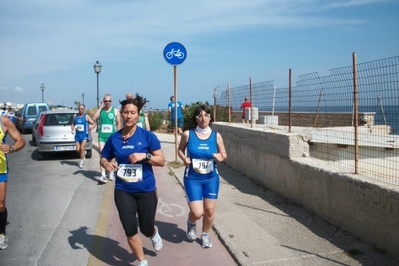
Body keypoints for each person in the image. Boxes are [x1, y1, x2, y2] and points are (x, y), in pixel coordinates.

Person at [100, 95, 165, 266]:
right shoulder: (114, 138)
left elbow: (162, 161)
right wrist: (106, 163)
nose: (129, 116)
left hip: (146, 189)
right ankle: (142, 261)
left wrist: (145, 155)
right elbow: (104, 157)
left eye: (133, 112)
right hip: (123, 190)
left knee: (146, 227)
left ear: (138, 115)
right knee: (130, 229)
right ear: (121, 114)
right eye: (126, 112)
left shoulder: (147, 136)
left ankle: (153, 233)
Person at [177, 104, 227, 248]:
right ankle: (191, 223)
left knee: (210, 210)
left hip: (211, 178)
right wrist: (184, 158)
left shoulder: (216, 136)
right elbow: (180, 150)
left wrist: (220, 157)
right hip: (193, 178)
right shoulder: (188, 134)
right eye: (200, 115)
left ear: (210, 117)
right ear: (196, 119)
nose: (203, 118)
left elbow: (224, 154)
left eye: (206, 115)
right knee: (197, 213)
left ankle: (205, 235)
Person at [0, 115, 26, 249]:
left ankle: (1, 233)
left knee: (0, 204)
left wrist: (11, 148)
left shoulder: (3, 121)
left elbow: (21, 140)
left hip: (0, 169)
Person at [93, 94, 122, 183]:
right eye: (105, 101)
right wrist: (100, 106)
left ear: (111, 101)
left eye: (109, 101)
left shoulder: (115, 111)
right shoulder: (101, 110)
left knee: (112, 156)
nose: (107, 103)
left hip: (112, 137)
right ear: (103, 101)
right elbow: (94, 117)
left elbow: (119, 123)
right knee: (102, 155)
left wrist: (119, 135)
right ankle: (103, 175)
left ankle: (111, 173)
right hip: (102, 136)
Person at [71, 104, 96, 169]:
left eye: (82, 109)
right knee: (77, 150)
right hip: (77, 135)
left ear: (84, 109)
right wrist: (72, 129)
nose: (80, 110)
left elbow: (93, 123)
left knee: (82, 148)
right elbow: (73, 123)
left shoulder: (86, 116)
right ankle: (82, 154)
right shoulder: (75, 116)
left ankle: (81, 161)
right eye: (79, 109)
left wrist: (91, 127)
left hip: (84, 135)